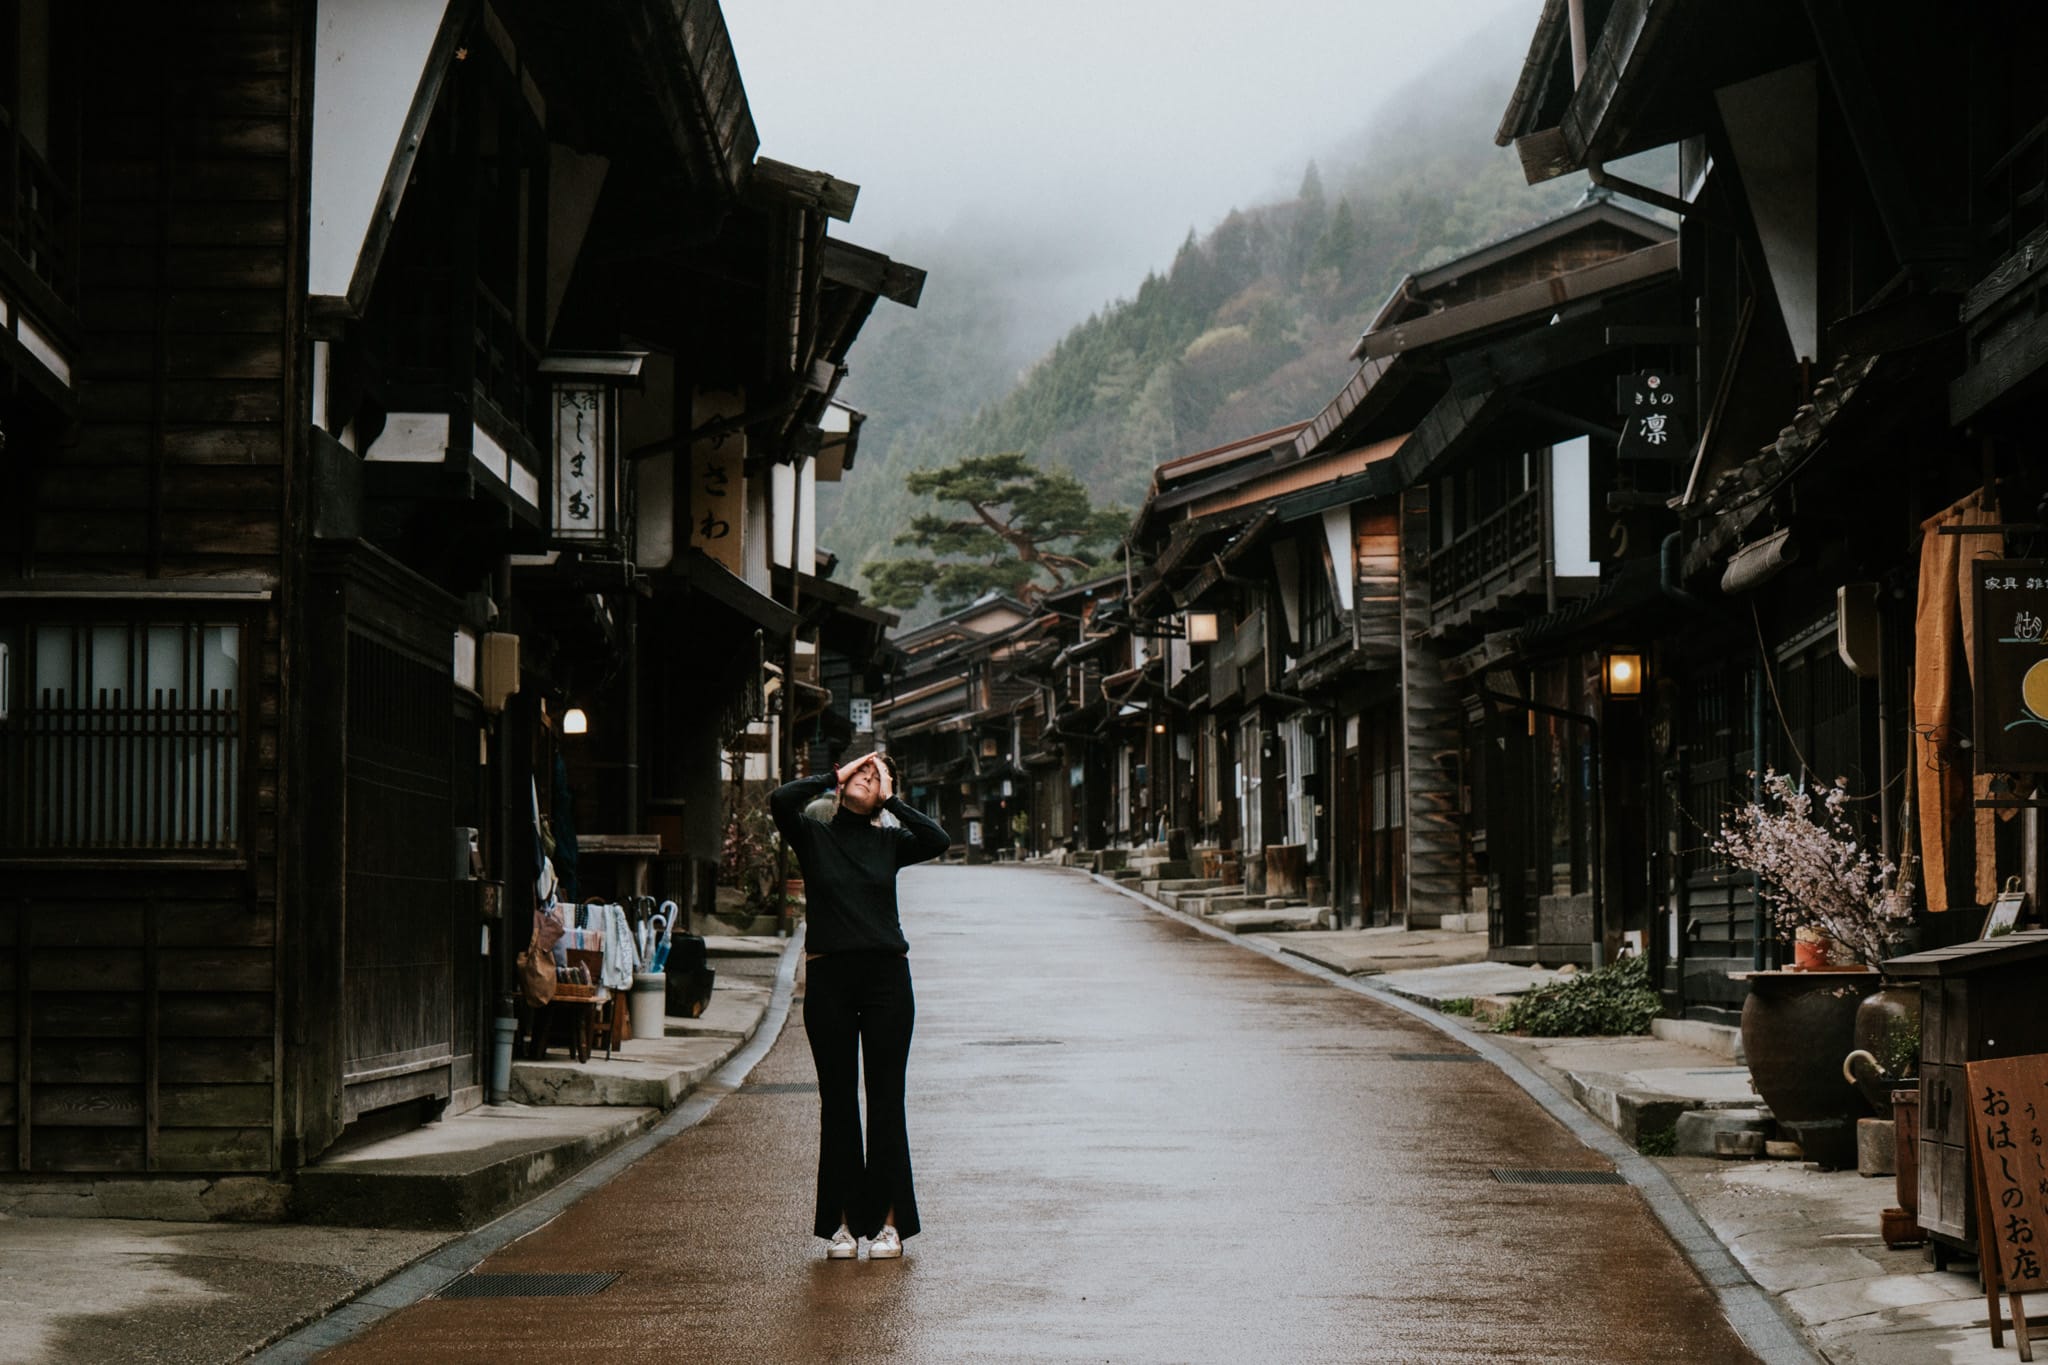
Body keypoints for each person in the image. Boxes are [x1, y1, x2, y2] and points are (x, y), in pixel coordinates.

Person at [769, 751, 950, 1261]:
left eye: (875, 775)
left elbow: (938, 840)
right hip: (828, 979)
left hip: (887, 980)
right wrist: (834, 775)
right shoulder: (813, 836)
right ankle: (843, 1226)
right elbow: (780, 800)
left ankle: (890, 1225)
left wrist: (891, 798)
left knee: (887, 1102)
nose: (865, 777)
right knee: (840, 1104)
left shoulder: (890, 841)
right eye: (860, 771)